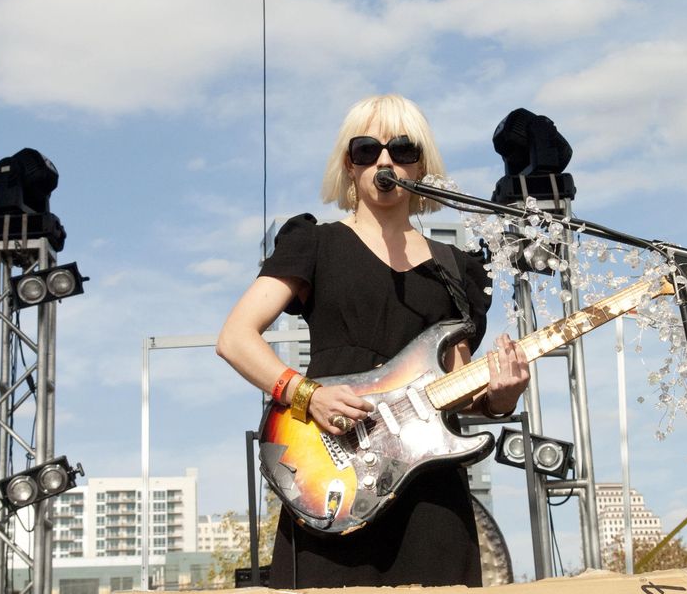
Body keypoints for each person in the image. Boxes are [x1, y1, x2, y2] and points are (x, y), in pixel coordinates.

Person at [216, 94, 530, 588]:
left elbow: (460, 388)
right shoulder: (314, 243)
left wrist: (500, 398)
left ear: (421, 165)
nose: (385, 161)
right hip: (332, 475)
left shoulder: (456, 267)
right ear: (350, 163)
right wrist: (308, 394)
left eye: (403, 149)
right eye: (367, 150)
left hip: (429, 492)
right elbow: (235, 338)